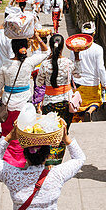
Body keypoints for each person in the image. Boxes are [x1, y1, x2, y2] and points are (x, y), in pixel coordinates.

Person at [0, 38, 46, 168]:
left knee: (8, 133)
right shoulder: (30, 62)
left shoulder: (5, 64)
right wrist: (37, 38)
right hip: (24, 105)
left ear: (13, 49)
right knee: (24, 132)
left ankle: (9, 161)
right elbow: (47, 52)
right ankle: (23, 160)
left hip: (8, 104)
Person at [36, 34, 74, 165]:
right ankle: (57, 161)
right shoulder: (68, 63)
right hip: (65, 102)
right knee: (63, 132)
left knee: (50, 132)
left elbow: (39, 82)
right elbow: (78, 74)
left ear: (51, 47)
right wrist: (78, 57)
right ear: (63, 47)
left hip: (49, 103)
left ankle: (48, 161)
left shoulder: (45, 64)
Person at [70, 21, 106, 121]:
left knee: (79, 105)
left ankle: (82, 117)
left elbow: (72, 65)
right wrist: (104, 83)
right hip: (92, 83)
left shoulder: (75, 48)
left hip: (78, 82)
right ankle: (89, 111)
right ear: (93, 33)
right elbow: (100, 68)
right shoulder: (98, 49)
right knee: (97, 101)